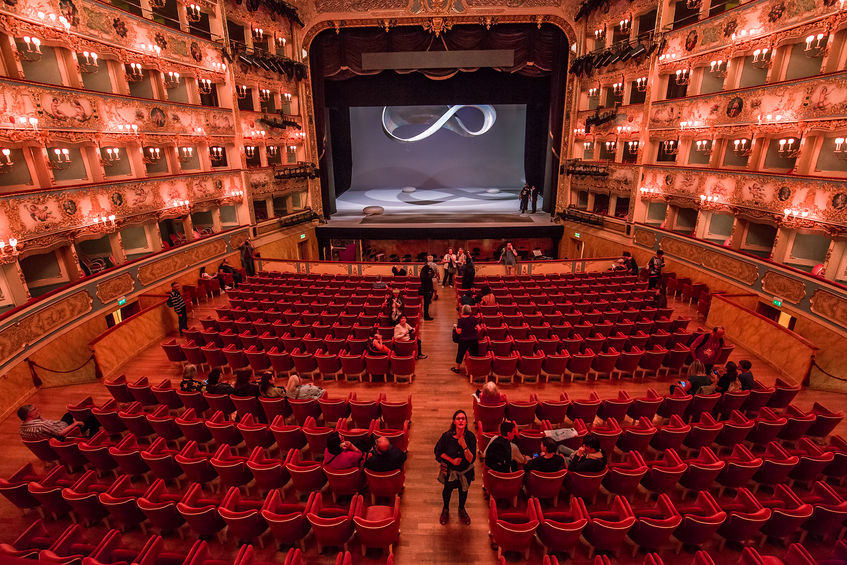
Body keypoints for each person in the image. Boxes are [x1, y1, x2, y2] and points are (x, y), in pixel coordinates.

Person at [434, 410, 477, 525]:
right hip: (450, 471)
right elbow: (438, 452)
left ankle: (461, 509)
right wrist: (452, 460)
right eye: (458, 418)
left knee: (464, 491)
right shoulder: (447, 436)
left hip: (465, 472)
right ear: (454, 421)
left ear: (466, 422)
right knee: (447, 490)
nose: (461, 420)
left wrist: (464, 446)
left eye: (463, 418)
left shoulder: (471, 437)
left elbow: (471, 459)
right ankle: (446, 509)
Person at [18, 404, 99, 440]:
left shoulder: (21, 430)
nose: (37, 410)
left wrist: (40, 418)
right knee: (92, 419)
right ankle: (92, 439)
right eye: (34, 409)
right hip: (66, 435)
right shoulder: (41, 425)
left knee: (68, 414)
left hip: (53, 435)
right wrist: (76, 423)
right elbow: (60, 433)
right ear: (29, 414)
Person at [451, 304, 480, 373]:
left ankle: (457, 368)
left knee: (460, 353)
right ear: (470, 311)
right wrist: (474, 333)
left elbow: (459, 332)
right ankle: (474, 367)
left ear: (462, 311)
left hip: (464, 340)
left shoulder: (461, 320)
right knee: (474, 353)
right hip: (473, 339)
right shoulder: (473, 319)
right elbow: (479, 329)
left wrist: (455, 327)